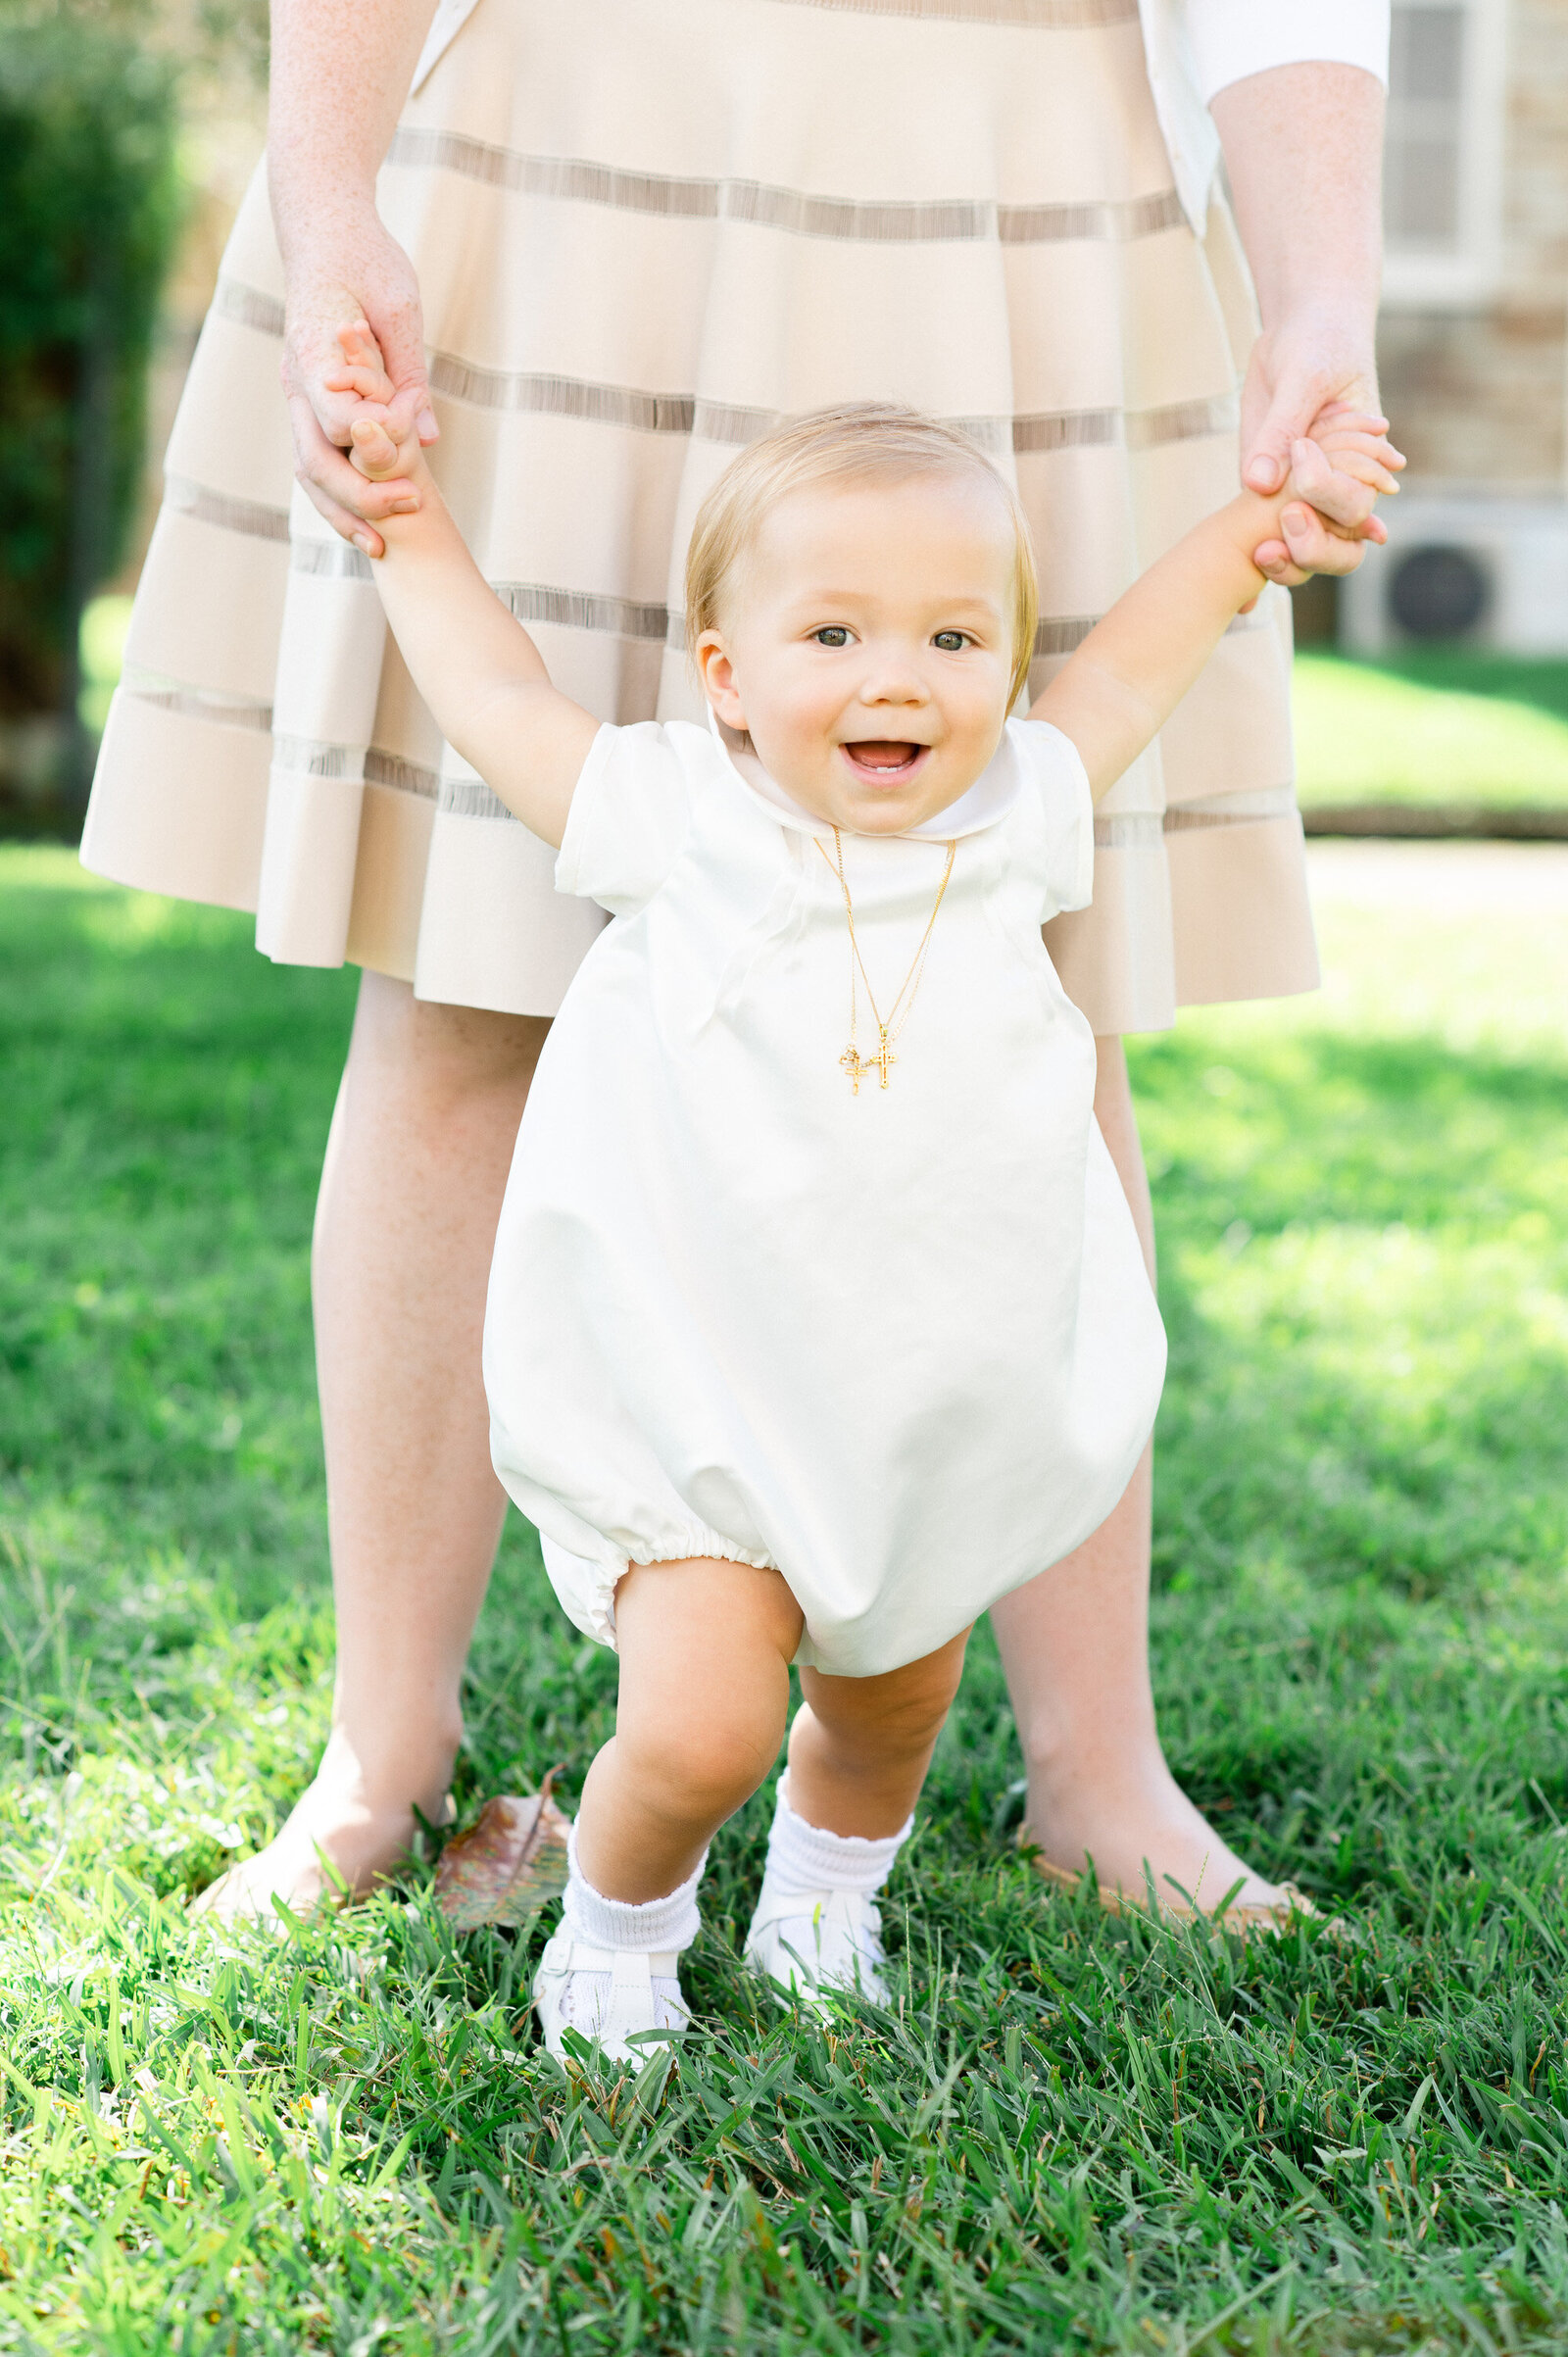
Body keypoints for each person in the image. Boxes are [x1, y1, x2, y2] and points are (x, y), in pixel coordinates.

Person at [82, 0, 1393, 1925]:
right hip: (569, 124)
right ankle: (384, 1752)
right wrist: (328, 184)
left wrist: (1319, 296)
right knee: (461, 983)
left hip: (1013, 154)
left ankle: (1097, 1774)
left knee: (1035, 992)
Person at [333, 367, 1396, 2057]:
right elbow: (495, 692)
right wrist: (401, 525)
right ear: (727, 678)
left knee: (890, 1711)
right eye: (832, 636)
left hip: (914, 1404)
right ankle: (617, 1934)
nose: (896, 676)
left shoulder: (1023, 816)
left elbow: (1134, 661)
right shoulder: (681, 819)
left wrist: (1252, 540)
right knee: (695, 1726)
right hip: (705, 1412)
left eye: (954, 642)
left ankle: (827, 1906)